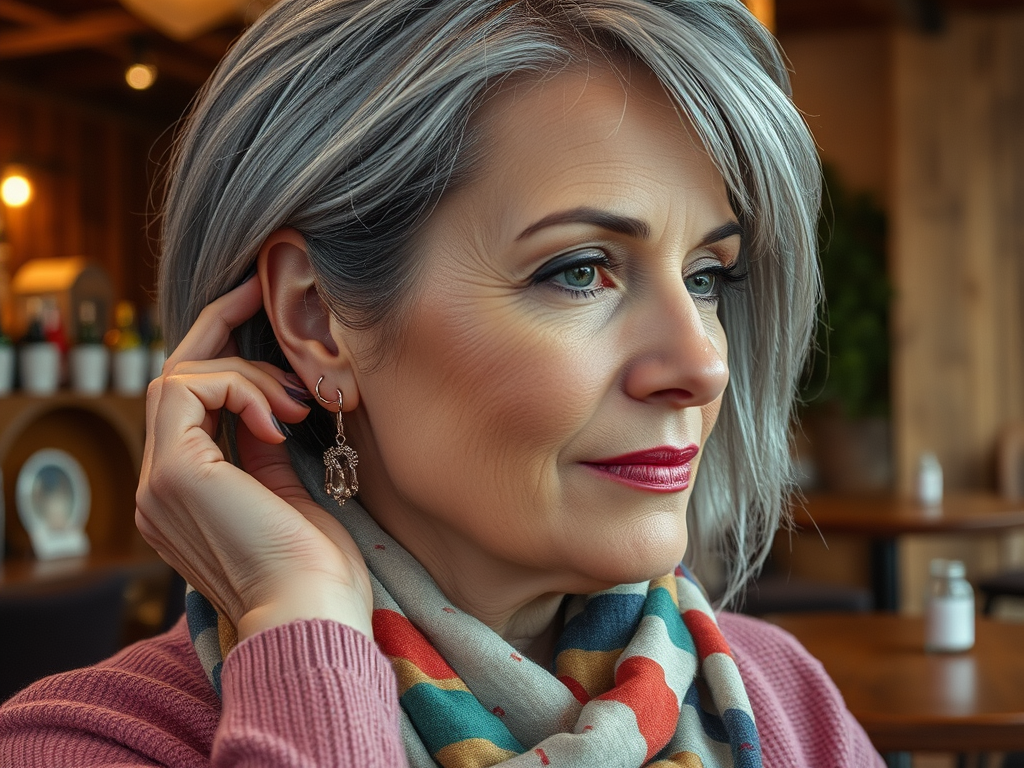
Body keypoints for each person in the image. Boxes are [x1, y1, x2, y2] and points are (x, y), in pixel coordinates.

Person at [0, 1, 884, 766]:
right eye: (580, 270)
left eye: (706, 277)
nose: (703, 366)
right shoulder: (86, 745)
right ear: (317, 322)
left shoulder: (788, 705)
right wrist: (300, 622)